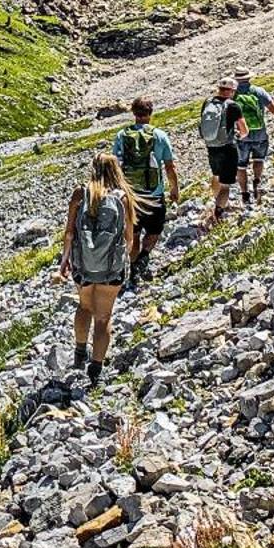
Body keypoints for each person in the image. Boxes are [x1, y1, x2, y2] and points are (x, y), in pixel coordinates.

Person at [56, 151, 134, 388]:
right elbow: (129, 238)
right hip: (111, 268)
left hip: (83, 265)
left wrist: (64, 262)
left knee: (84, 306)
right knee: (103, 318)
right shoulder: (122, 197)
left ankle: (80, 352)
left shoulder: (81, 193)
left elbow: (70, 232)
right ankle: (96, 370)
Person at [111, 97, 179, 285]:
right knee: (155, 231)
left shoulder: (121, 136)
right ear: (150, 113)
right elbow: (170, 166)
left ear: (133, 113)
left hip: (130, 196)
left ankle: (132, 268)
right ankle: (143, 258)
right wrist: (174, 188)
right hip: (154, 194)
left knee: (133, 234)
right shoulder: (160, 136)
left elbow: (115, 165)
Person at [197, 76, 248, 227]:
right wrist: (239, 135)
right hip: (227, 148)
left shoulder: (207, 103)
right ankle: (218, 214)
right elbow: (244, 130)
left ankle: (216, 200)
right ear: (232, 91)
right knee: (226, 185)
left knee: (216, 176)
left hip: (211, 147)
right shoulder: (233, 106)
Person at [234, 67, 274, 207]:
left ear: (236, 79)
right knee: (258, 159)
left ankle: (244, 194)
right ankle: (257, 181)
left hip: (241, 136)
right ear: (249, 78)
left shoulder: (233, 95)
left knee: (241, 166)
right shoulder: (259, 91)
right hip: (260, 133)